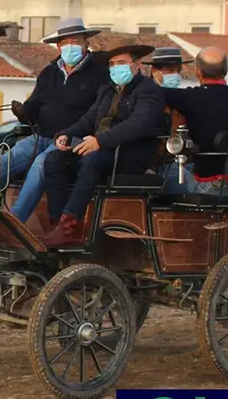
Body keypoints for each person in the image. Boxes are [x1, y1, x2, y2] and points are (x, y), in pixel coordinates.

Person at [37, 44, 164, 247]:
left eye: (121, 63)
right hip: (100, 150)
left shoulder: (149, 91)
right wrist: (66, 135)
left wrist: (99, 141)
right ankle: (57, 224)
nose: (115, 68)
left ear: (137, 65)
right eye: (112, 64)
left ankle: (69, 224)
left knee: (92, 160)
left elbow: (139, 124)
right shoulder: (107, 90)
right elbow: (88, 120)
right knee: (54, 160)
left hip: (130, 155)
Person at [0, 18, 108, 224]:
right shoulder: (48, 72)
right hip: (41, 136)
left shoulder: (100, 74)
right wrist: (22, 112)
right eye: (65, 43)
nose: (70, 47)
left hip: (72, 141)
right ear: (58, 46)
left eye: (75, 41)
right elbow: (33, 105)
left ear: (86, 43)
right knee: (6, 161)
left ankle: (14, 223)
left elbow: (99, 113)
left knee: (41, 165)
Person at [156, 46, 228, 196]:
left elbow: (155, 92)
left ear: (198, 71)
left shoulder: (192, 98)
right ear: (226, 70)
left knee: (164, 171)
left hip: (215, 185)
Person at [141, 46, 191, 160]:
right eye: (170, 70)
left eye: (178, 70)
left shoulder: (182, 99)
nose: (176, 75)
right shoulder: (145, 99)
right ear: (154, 71)